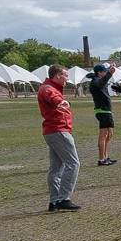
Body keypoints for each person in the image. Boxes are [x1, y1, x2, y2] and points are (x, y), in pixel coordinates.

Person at [37, 65, 81, 212]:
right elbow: (53, 98)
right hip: (58, 130)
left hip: (53, 131)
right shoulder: (48, 88)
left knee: (56, 168)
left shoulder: (49, 87)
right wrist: (62, 102)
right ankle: (64, 198)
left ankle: (54, 201)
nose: (67, 79)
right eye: (65, 75)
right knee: (73, 164)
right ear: (57, 75)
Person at [87, 62, 118, 166]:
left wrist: (110, 67)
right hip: (102, 111)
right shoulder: (95, 82)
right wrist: (110, 73)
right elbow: (101, 84)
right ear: (99, 73)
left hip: (106, 111)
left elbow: (103, 82)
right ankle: (101, 159)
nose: (106, 72)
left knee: (109, 134)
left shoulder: (99, 80)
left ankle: (106, 157)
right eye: (104, 71)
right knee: (103, 135)